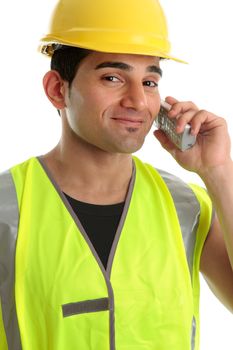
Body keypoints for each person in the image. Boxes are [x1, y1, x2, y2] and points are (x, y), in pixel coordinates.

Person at [0, 0, 232, 349]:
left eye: (150, 82)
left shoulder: (187, 206)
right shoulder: (7, 207)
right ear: (57, 89)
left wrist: (218, 171)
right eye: (113, 78)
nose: (138, 101)